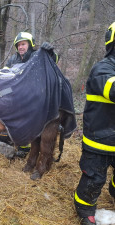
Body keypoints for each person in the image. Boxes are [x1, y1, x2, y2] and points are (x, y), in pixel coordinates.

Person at [74, 22, 115, 225]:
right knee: (93, 179)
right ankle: (85, 208)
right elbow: (112, 89)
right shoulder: (103, 69)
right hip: (99, 140)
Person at [4, 31, 59, 158]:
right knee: (18, 123)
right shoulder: (13, 58)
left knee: (34, 124)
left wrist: (50, 53)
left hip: (35, 96)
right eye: (18, 45)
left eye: (23, 44)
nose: (20, 47)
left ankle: (40, 148)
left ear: (31, 44)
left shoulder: (37, 56)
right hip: (17, 96)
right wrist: (1, 90)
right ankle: (23, 148)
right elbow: (4, 75)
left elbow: (53, 60)